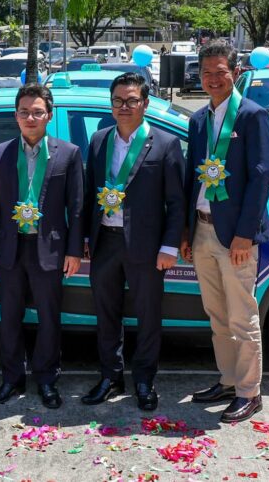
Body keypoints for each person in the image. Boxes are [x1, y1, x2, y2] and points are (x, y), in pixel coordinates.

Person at [180, 39, 269, 424]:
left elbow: (261, 175)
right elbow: (191, 177)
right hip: (202, 232)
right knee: (216, 315)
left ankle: (250, 392)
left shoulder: (253, 116)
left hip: (235, 236)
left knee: (242, 317)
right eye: (207, 73)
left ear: (236, 73)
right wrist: (186, 232)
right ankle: (229, 380)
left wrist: (244, 234)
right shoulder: (198, 120)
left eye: (221, 72)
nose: (213, 79)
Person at [81, 72, 185, 411]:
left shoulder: (166, 144)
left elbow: (176, 201)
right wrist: (84, 236)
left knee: (148, 315)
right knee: (106, 315)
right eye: (118, 101)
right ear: (111, 105)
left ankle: (144, 379)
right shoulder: (98, 141)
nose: (124, 107)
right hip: (105, 243)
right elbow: (87, 192)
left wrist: (170, 246)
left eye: (132, 100)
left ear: (145, 103)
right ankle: (111, 377)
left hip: (147, 247)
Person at [0, 84, 84, 409]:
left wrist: (74, 250)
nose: (30, 117)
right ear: (16, 116)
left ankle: (47, 380)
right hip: (10, 248)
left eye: (37, 111)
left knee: (49, 318)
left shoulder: (68, 153)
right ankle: (11, 380)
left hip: (49, 249)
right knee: (9, 318)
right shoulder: (1, 153)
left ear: (48, 116)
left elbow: (76, 206)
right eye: (24, 111)